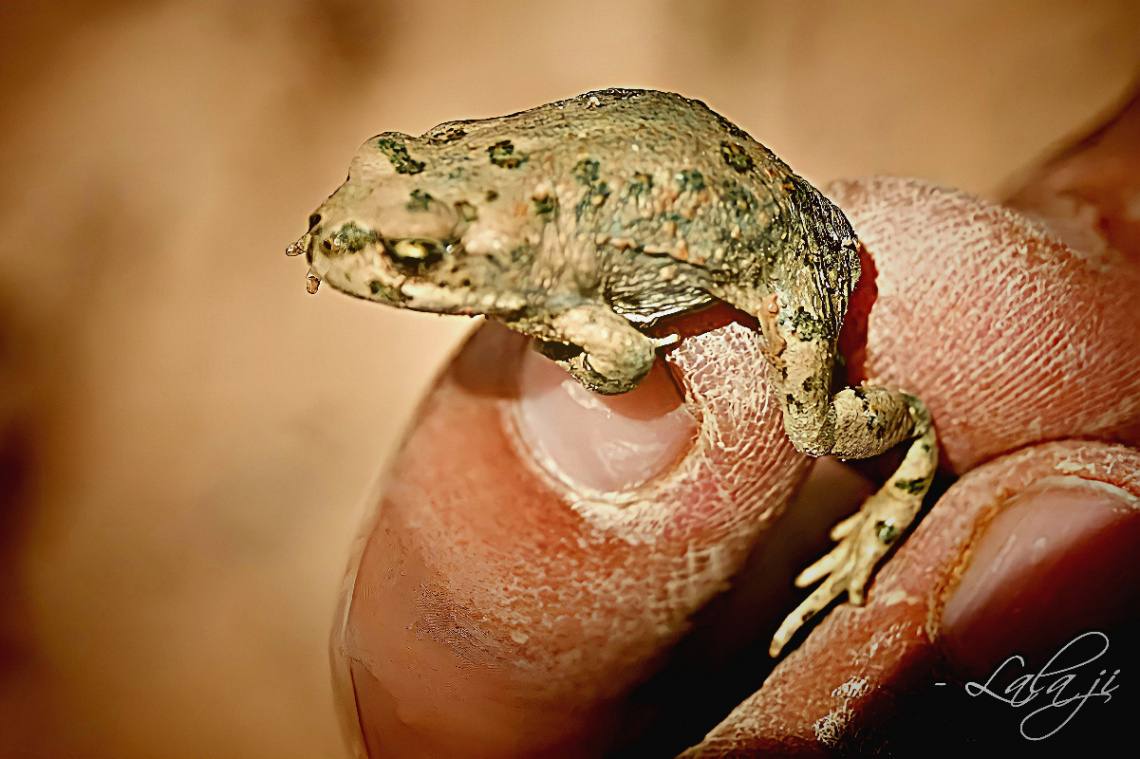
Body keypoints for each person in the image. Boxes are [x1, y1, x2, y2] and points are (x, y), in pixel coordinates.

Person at [334, 85, 1140, 758]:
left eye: (413, 259)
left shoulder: (540, 270)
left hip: (785, 250)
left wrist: (564, 340)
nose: (348, 245)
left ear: (488, 256)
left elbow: (619, 365)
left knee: (817, 423)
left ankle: (916, 449)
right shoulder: (525, 242)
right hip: (696, 173)